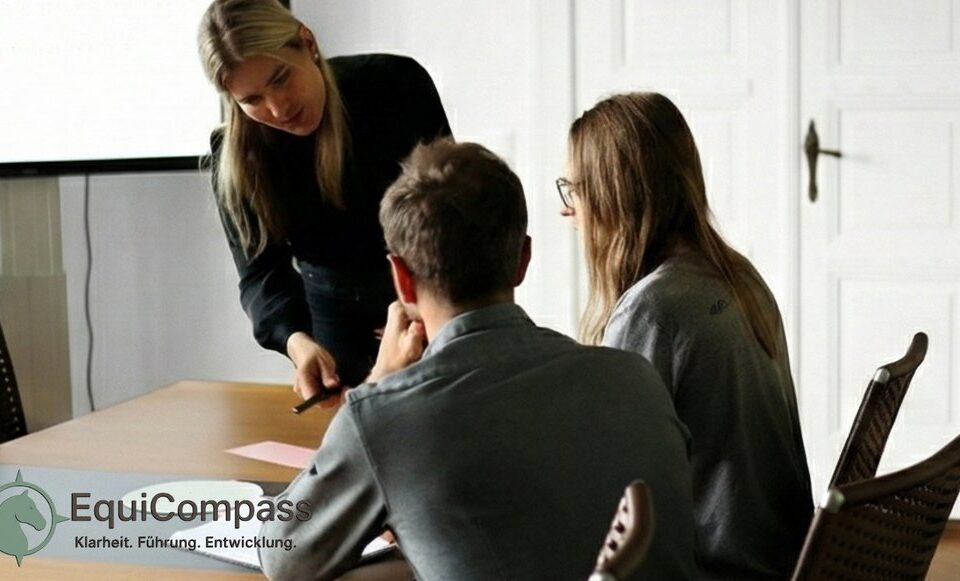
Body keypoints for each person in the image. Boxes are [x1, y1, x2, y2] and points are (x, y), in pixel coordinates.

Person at [258, 140, 698, 580]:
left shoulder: (384, 421)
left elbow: (283, 559)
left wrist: (379, 381)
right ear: (522, 260)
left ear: (401, 280)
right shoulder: (636, 377)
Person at [561, 91, 813, 579]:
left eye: (576, 190)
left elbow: (612, 493)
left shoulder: (652, 309)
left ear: (613, 194)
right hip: (782, 557)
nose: (569, 211)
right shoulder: (737, 275)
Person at [197, 0, 451, 395]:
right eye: (252, 100)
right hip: (332, 312)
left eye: (281, 78)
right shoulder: (232, 156)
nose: (278, 109)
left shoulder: (395, 85)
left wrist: (424, 304)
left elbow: (447, 210)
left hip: (426, 297)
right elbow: (260, 273)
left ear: (307, 42)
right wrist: (296, 341)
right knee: (348, 439)